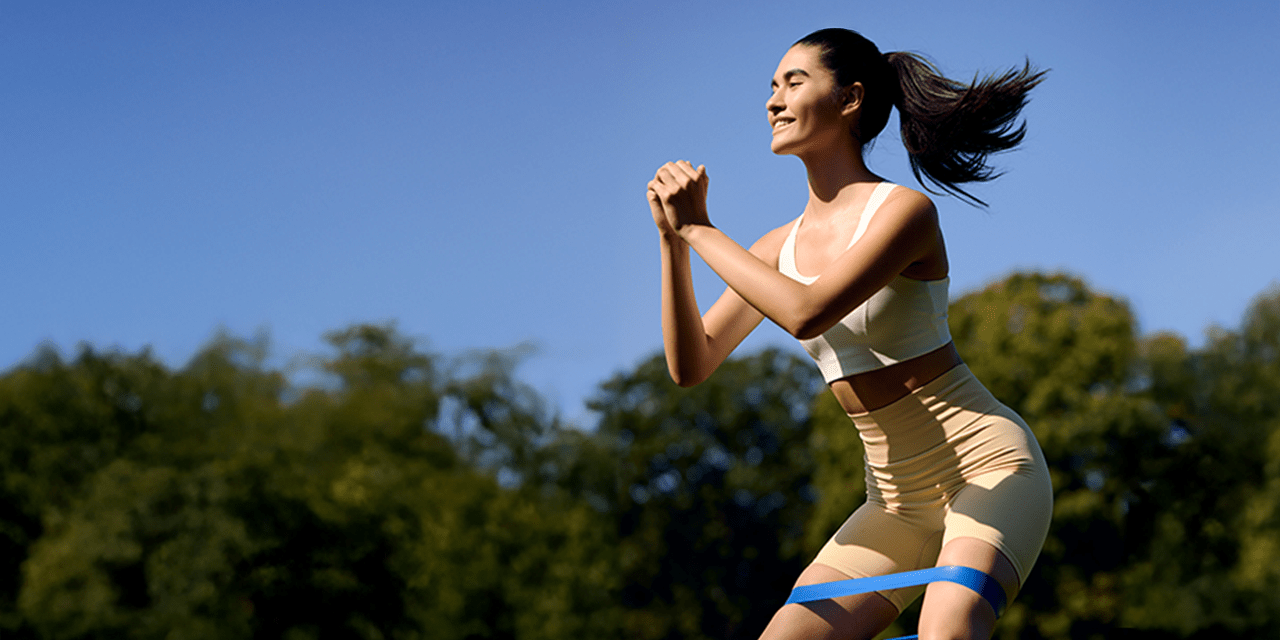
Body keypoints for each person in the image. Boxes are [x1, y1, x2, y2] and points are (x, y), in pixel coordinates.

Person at [645, 28, 1053, 640]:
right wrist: (672, 241)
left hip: (987, 467)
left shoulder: (904, 213)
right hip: (892, 499)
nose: (773, 101)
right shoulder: (774, 248)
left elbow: (809, 311)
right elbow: (691, 364)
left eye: (794, 82)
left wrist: (702, 230)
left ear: (851, 98)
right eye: (771, 87)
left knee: (948, 626)